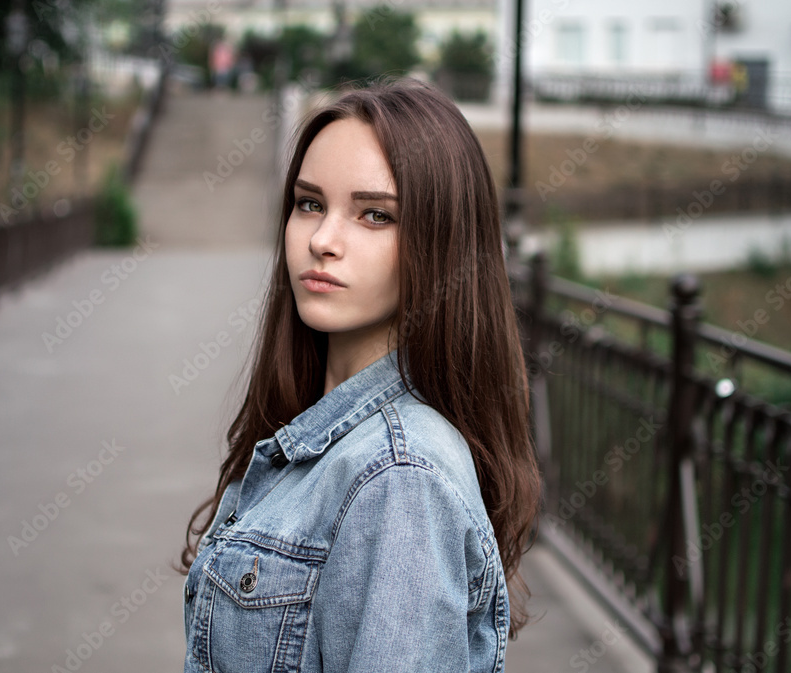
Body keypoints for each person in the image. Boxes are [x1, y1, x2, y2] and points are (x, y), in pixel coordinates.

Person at [178, 77, 541, 672]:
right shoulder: (325, 440)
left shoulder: (398, 479)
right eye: (309, 203)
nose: (322, 240)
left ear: (443, 243)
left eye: (375, 215)